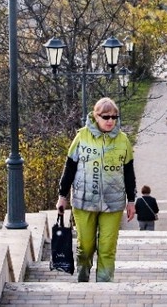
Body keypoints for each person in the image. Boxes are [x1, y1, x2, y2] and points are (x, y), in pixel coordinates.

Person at [57, 97, 136, 282]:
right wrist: (62, 196)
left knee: (107, 248)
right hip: (84, 202)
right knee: (85, 247)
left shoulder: (123, 140)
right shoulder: (82, 136)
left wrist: (131, 201)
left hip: (113, 203)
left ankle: (103, 287)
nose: (110, 121)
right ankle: (83, 279)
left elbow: (129, 173)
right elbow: (69, 168)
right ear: (95, 116)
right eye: (106, 117)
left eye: (114, 117)